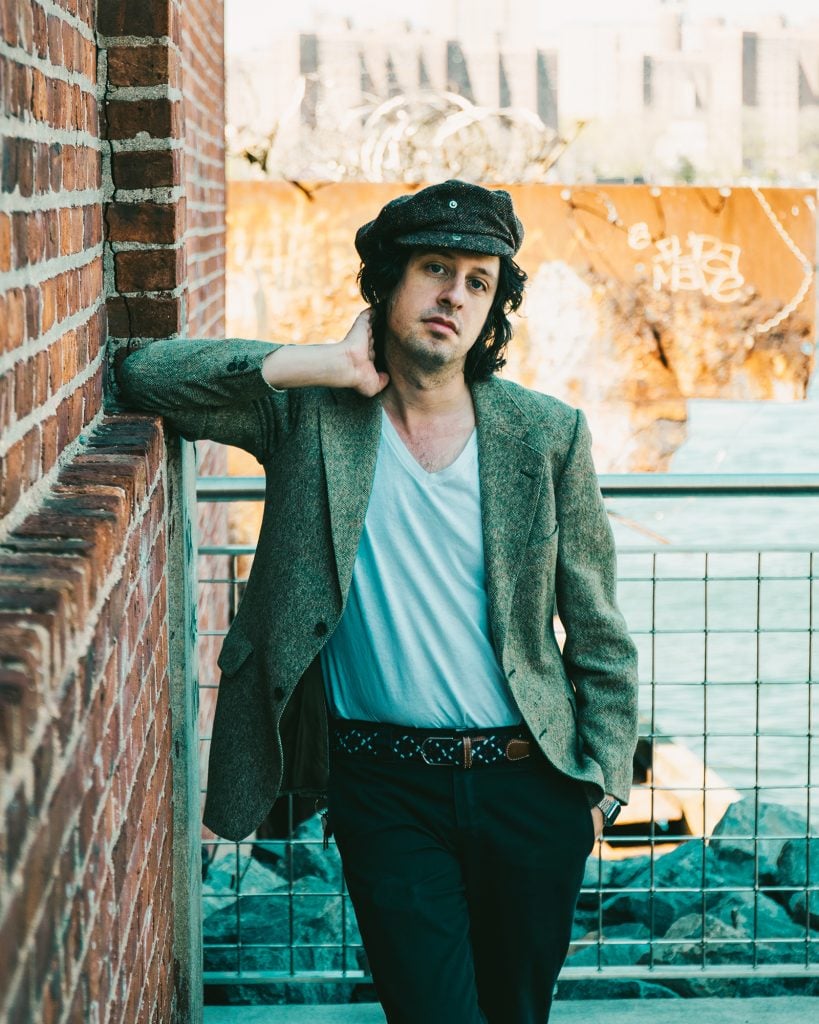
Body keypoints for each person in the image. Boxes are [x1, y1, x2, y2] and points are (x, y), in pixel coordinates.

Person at [116, 180, 639, 1023]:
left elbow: (598, 628)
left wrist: (601, 784)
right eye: (435, 269)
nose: (454, 297)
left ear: (495, 306)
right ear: (387, 283)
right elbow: (147, 377)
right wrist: (321, 360)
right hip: (383, 786)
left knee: (514, 1012)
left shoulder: (545, 434)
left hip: (529, 784)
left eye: (479, 282)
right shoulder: (310, 417)